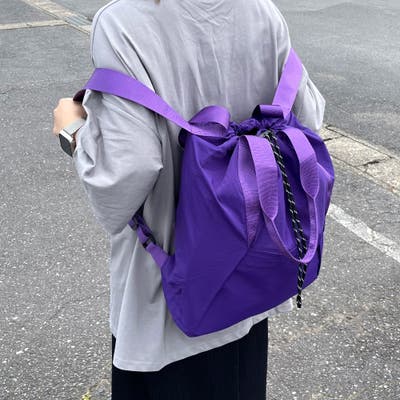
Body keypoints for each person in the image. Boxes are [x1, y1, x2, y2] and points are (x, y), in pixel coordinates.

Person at [52, 0, 325, 398]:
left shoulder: (123, 23)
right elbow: (307, 118)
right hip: (248, 282)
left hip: (168, 302)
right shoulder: (262, 11)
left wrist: (72, 131)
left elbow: (127, 170)